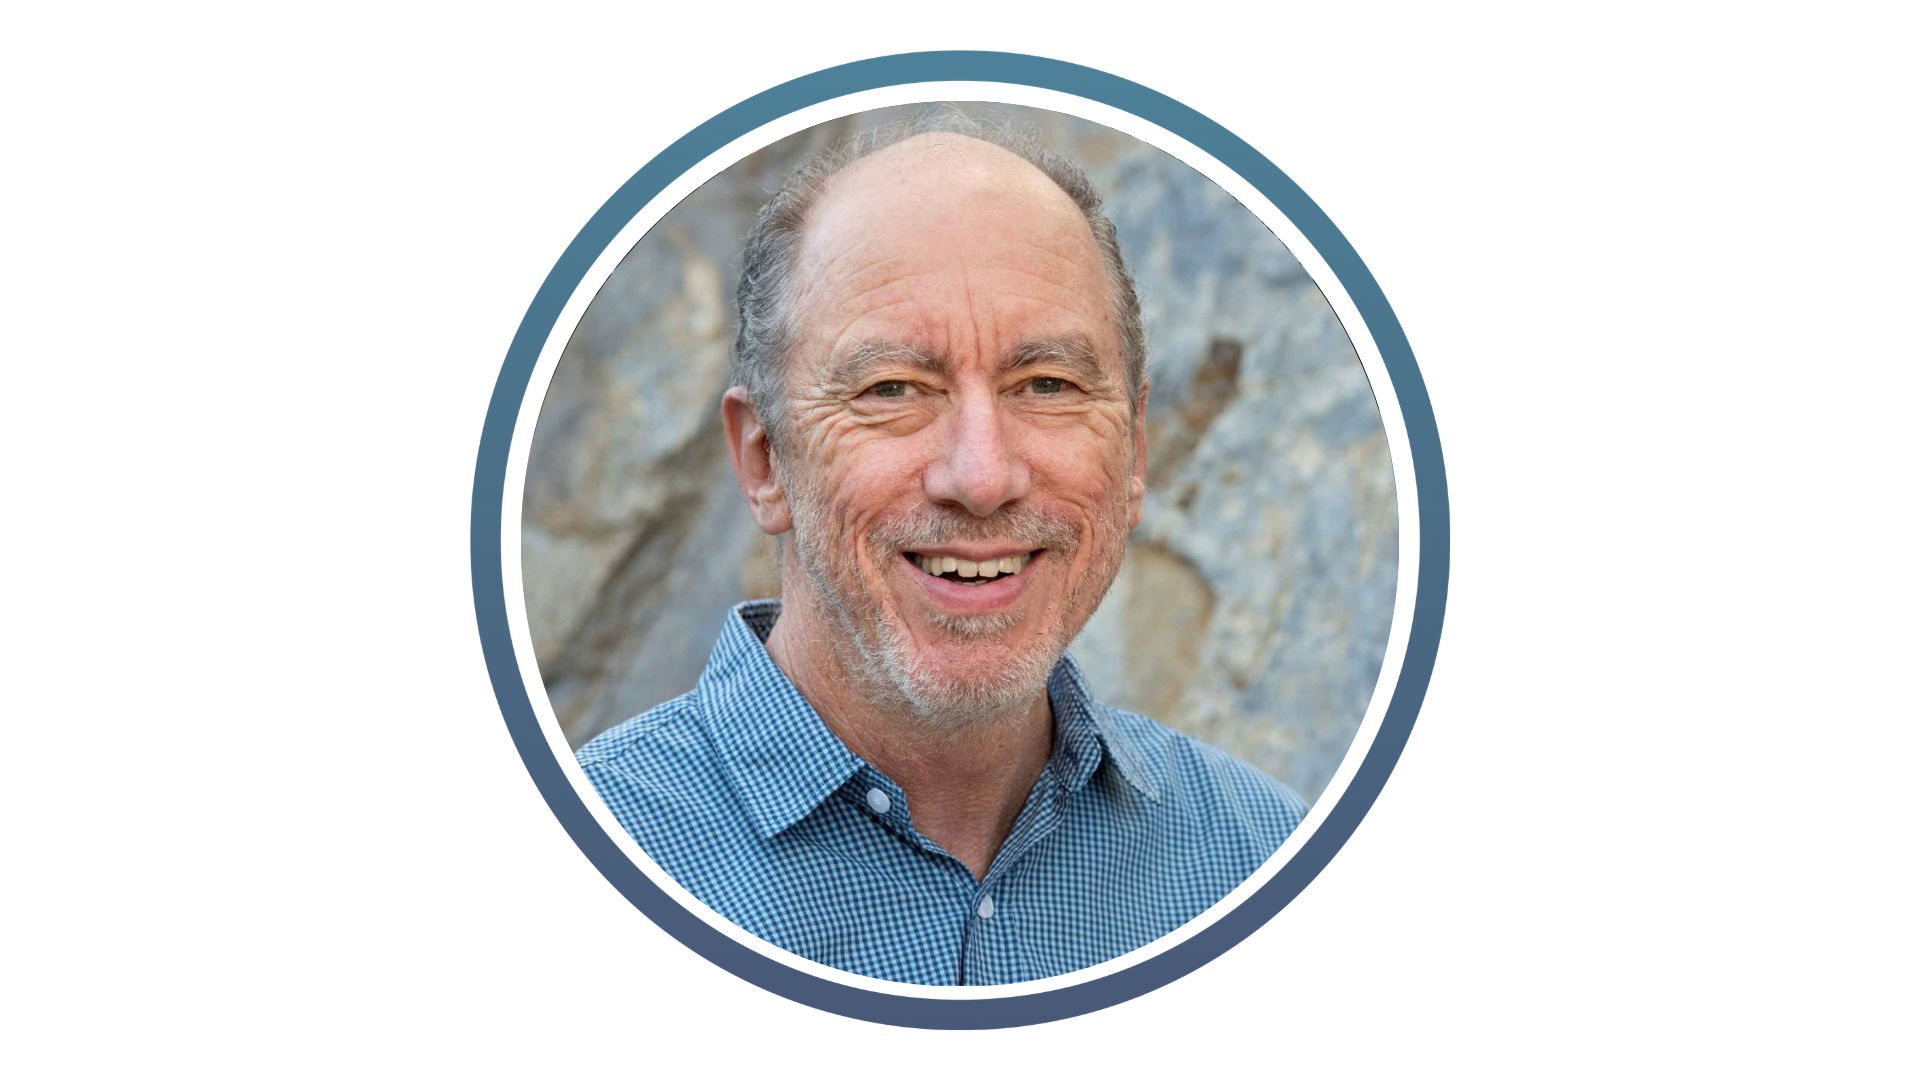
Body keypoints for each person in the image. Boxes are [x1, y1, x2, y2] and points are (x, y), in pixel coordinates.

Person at [577, 114, 1307, 986]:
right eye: (894, 389)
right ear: (763, 460)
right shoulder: (582, 870)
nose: (983, 475)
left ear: (1135, 452)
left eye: (1048, 385)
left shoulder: (1262, 868)